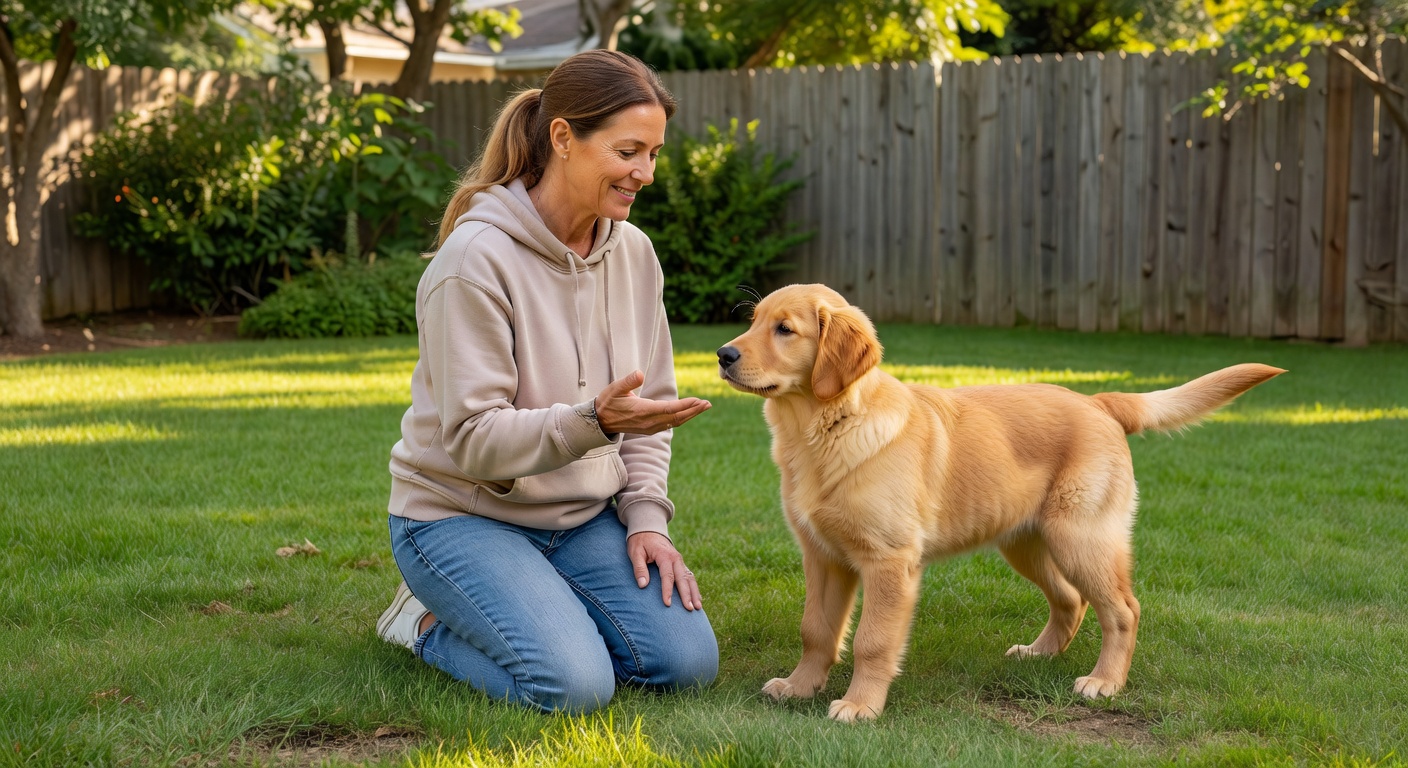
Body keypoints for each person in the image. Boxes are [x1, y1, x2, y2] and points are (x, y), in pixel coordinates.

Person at [373, 50, 718, 714]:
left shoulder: (635, 254)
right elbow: (474, 441)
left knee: (685, 663)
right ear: (563, 138)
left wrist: (646, 522)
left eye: (653, 153)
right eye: (628, 151)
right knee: (575, 687)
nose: (644, 173)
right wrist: (596, 422)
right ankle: (418, 623)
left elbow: (650, 411)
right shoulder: (473, 260)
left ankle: (542, 596)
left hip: (582, 518)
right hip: (459, 517)